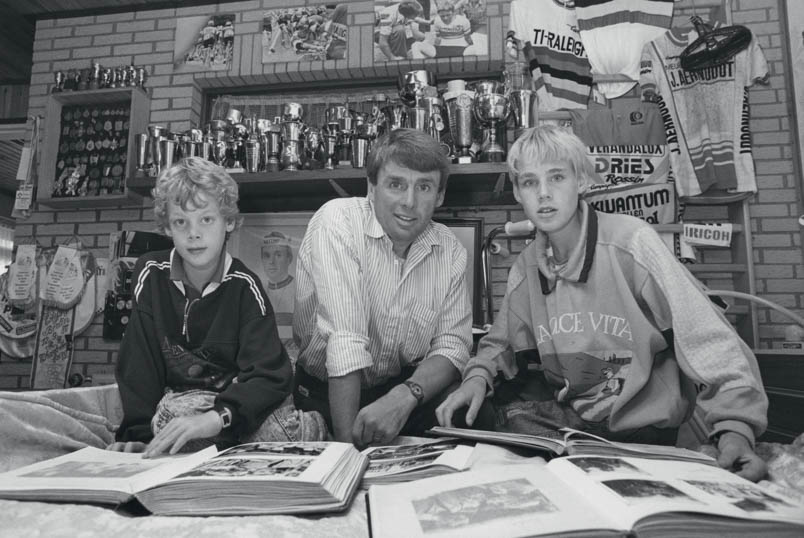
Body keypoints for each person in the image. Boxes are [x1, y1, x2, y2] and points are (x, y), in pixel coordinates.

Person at [436, 125, 769, 482]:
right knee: (464, 419)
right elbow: (498, 343)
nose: (544, 194)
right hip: (573, 426)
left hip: (642, 433)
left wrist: (735, 431)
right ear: (518, 192)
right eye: (530, 182)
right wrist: (476, 378)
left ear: (581, 181)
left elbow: (708, 339)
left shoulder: (632, 243)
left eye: (557, 177)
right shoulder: (527, 267)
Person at [109, 157, 325, 457]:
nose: (193, 234)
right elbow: (138, 362)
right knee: (171, 416)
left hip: (234, 405)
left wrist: (217, 418)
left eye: (206, 220)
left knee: (282, 430)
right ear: (167, 228)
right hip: (184, 402)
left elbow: (269, 376)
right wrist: (139, 434)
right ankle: (222, 441)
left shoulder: (245, 287)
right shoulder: (151, 274)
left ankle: (304, 426)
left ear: (229, 222)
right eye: (180, 222)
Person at [293, 128, 473, 447]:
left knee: (470, 414)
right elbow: (345, 341)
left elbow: (453, 346)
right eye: (396, 184)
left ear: (440, 196)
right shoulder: (337, 222)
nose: (409, 202)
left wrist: (406, 396)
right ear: (372, 188)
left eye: (424, 187)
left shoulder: (451, 251)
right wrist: (349, 453)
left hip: (396, 392)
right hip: (324, 392)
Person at [261, 231, 296, 340]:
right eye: (267, 256)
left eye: (278, 255)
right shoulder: (257, 290)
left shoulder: (300, 290)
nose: (271, 262)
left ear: (289, 259)